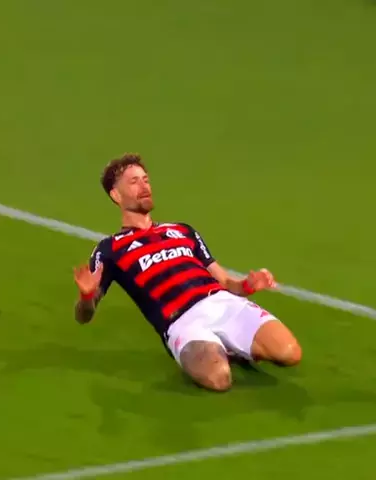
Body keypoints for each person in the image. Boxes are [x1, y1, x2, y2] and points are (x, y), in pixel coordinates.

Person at [73, 153, 302, 392]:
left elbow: (224, 281)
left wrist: (246, 285)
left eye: (146, 180)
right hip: (182, 323)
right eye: (134, 182)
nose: (145, 187)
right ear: (116, 195)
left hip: (223, 303)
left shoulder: (182, 230)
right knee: (219, 380)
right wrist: (87, 296)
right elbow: (83, 316)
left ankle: (228, 345)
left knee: (290, 353)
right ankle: (222, 349)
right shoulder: (110, 249)